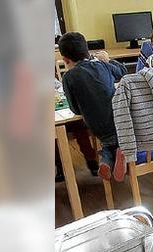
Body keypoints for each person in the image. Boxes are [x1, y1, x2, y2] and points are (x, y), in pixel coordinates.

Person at [58, 32, 127, 181]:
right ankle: (121, 152)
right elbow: (123, 71)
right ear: (87, 51)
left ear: (64, 59)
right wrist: (108, 60)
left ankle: (106, 162)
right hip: (119, 119)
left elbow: (75, 109)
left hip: (97, 126)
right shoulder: (102, 65)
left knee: (107, 144)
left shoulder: (68, 77)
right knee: (115, 142)